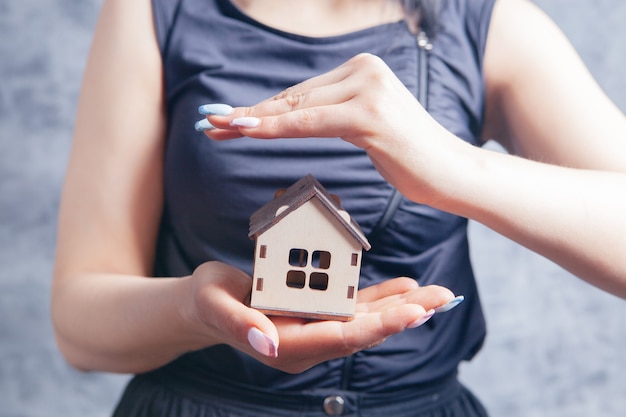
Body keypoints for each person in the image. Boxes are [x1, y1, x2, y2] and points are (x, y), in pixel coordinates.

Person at [51, 0, 626, 416]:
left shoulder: (490, 25)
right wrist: (194, 310)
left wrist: (453, 166)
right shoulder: (154, 10)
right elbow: (80, 330)